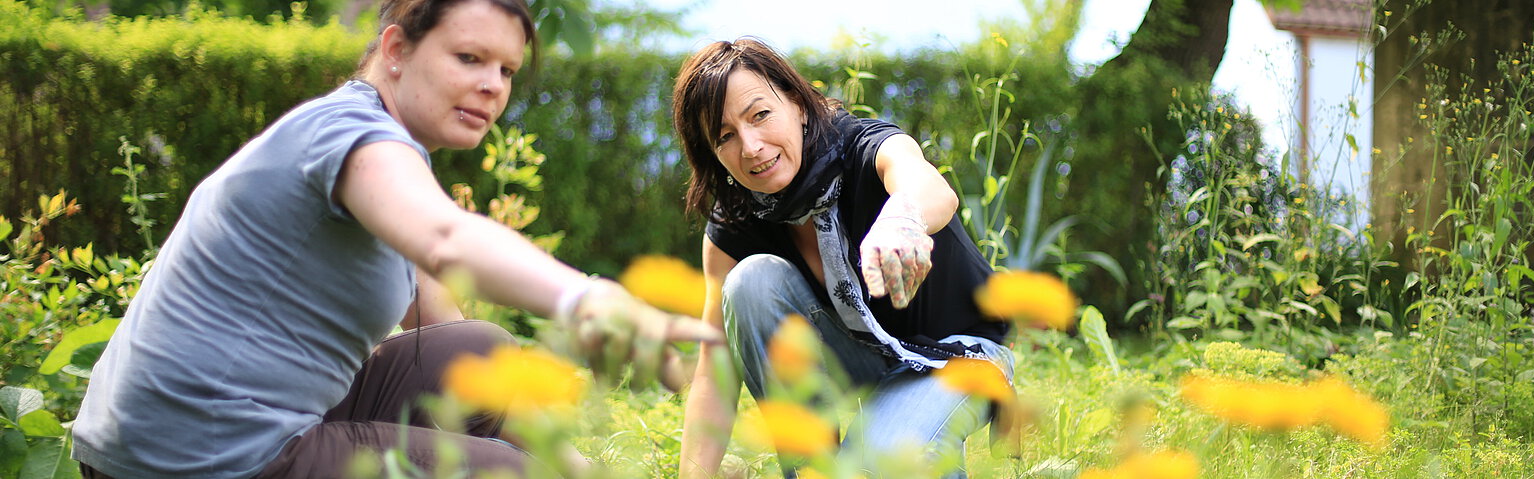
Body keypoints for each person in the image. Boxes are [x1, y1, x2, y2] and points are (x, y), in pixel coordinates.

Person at [70, 1, 717, 477]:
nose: (493, 85)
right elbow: (446, 238)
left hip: (226, 426)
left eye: (507, 69)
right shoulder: (347, 135)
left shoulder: (394, 154)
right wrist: (593, 301)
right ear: (397, 49)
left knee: (481, 349)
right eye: (469, 58)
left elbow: (443, 324)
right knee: (505, 472)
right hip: (190, 455)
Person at [671, 38, 1015, 479]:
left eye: (760, 114)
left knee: (884, 461)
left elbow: (927, 186)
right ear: (713, 154)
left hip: (954, 356)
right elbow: (712, 372)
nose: (751, 145)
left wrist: (902, 222)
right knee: (749, 282)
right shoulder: (736, 222)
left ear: (796, 103)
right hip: (859, 354)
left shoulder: (859, 146)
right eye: (725, 136)